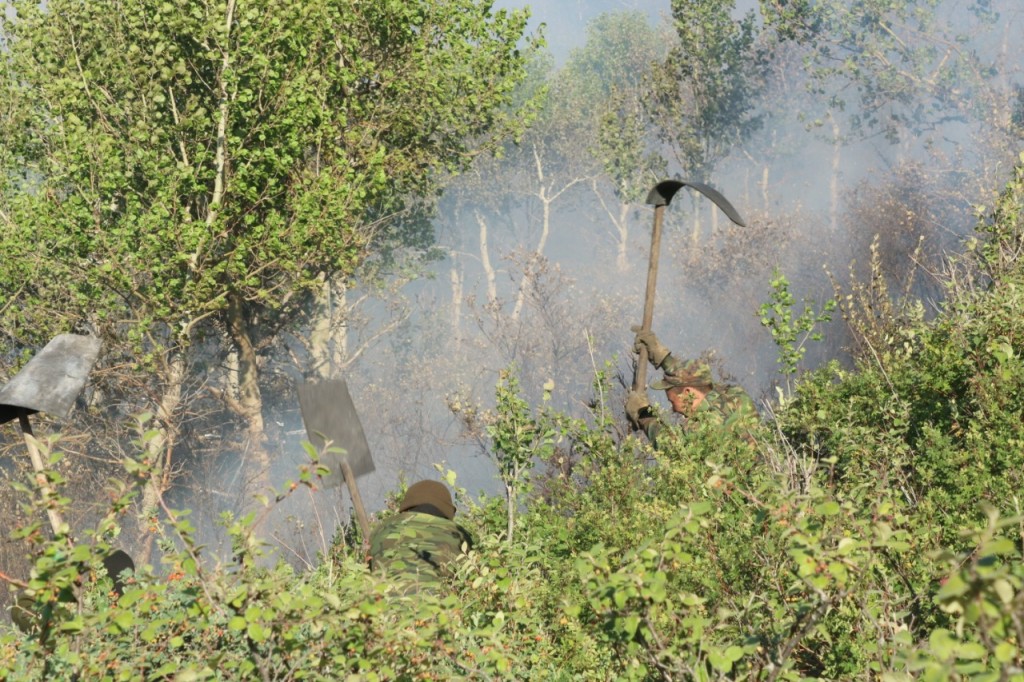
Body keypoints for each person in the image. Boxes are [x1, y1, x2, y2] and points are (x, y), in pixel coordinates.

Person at [626, 327, 759, 448]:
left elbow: (673, 448)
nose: (673, 409)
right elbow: (698, 378)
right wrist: (662, 357)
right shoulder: (735, 395)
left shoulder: (705, 429)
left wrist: (644, 416)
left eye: (672, 402)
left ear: (688, 392)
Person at [367, 480, 472, 595]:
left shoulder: (381, 529)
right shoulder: (460, 535)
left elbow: (366, 574)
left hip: (384, 603)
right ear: (447, 510)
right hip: (438, 604)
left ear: (407, 506)